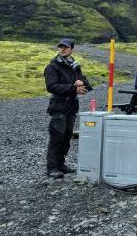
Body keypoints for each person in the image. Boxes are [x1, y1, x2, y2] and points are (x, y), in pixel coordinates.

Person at [43, 38, 91, 179]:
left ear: (71, 49)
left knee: (67, 136)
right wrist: (73, 88)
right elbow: (51, 86)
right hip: (58, 105)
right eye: (60, 47)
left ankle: (61, 165)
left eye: (66, 47)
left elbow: (86, 82)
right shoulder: (52, 67)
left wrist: (81, 83)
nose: (63, 49)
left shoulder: (75, 65)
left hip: (71, 106)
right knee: (56, 136)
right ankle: (51, 168)